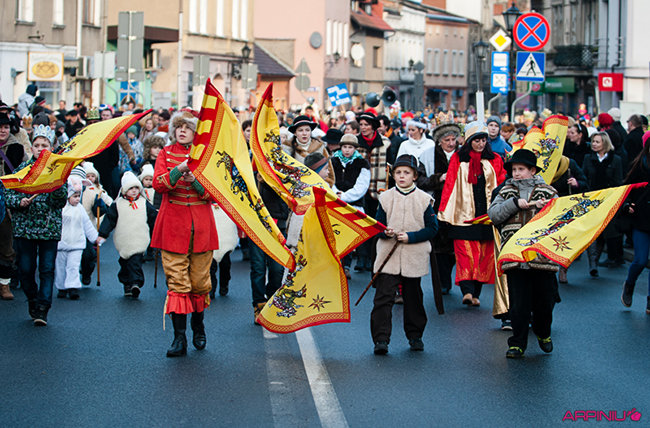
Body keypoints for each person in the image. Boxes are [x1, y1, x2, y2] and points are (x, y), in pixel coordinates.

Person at [151, 110, 218, 357]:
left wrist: (195, 181)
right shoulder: (165, 154)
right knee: (178, 284)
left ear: (195, 132)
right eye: (178, 126)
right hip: (172, 226)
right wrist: (179, 170)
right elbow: (158, 184)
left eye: (187, 127)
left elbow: (213, 194)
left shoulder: (207, 156)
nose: (182, 130)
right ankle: (179, 338)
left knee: (200, 283)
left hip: (201, 227)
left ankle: (198, 327)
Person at [487, 149, 559, 358]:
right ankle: (517, 343)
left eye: (521, 169)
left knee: (544, 302)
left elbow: (560, 218)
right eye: (514, 169)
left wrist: (546, 209)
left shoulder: (548, 192)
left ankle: (543, 332)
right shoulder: (506, 191)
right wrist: (514, 204)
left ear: (532, 170)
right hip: (515, 256)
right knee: (518, 303)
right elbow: (494, 215)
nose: (517, 173)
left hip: (541, 256)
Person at [371, 154, 438, 355]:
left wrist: (412, 236)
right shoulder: (385, 197)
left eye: (406, 173)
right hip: (388, 256)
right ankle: (381, 339)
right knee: (383, 297)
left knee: (413, 298)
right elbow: (376, 225)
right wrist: (385, 232)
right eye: (398, 172)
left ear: (414, 176)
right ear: (393, 175)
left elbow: (432, 229)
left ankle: (415, 335)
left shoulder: (424, 200)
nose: (402, 176)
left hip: (413, 255)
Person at [437, 121, 506, 306]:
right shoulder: (458, 158)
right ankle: (466, 291)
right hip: (463, 215)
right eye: (477, 140)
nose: (481, 144)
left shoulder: (495, 159)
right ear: (469, 141)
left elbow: (501, 183)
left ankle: (476, 294)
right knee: (466, 255)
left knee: (484, 256)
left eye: (483, 140)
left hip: (487, 215)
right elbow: (450, 184)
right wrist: (444, 211)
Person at [5, 125, 67, 326]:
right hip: (25, 228)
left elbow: (60, 201)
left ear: (51, 148)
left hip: (49, 229)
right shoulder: (22, 170)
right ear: (31, 148)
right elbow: (8, 193)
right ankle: (32, 298)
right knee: (25, 269)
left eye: (44, 145)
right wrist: (19, 202)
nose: (40, 148)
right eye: (37, 145)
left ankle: (43, 307)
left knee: (47, 269)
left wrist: (55, 186)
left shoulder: (57, 171)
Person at [98, 171, 157, 299]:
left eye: (136, 187)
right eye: (131, 188)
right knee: (125, 262)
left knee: (135, 261)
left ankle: (136, 283)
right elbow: (110, 220)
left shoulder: (144, 203)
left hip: (139, 238)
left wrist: (158, 233)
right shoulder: (118, 204)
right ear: (124, 190)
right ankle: (127, 283)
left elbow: (154, 218)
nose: (134, 191)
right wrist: (103, 234)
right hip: (123, 239)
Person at [419, 122, 461, 294]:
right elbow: (420, 180)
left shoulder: (462, 155)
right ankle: (443, 281)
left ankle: (452, 277)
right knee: (438, 248)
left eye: (453, 139)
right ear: (439, 141)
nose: (451, 143)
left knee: (455, 246)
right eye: (447, 140)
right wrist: (439, 178)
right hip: (436, 205)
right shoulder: (427, 155)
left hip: (459, 206)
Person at [582, 131, 624, 276]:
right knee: (592, 232)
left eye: (597, 142)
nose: (594, 144)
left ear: (605, 143)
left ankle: (596, 259)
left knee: (603, 233)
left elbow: (618, 182)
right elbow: (584, 178)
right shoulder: (588, 158)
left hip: (608, 201)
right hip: (591, 200)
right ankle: (593, 264)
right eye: (593, 141)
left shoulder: (616, 160)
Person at [331, 134, 370, 278]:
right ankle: (334, 266)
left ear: (355, 149)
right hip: (334, 202)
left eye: (350, 147)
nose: (347, 150)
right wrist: (335, 194)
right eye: (345, 147)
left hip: (353, 204)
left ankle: (346, 266)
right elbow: (329, 179)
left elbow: (362, 186)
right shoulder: (333, 161)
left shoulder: (362, 163)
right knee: (335, 236)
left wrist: (345, 197)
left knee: (347, 237)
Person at [621, 131, 650, 314]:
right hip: (642, 218)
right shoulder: (639, 165)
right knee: (640, 260)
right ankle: (629, 284)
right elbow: (625, 188)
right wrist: (627, 205)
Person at [55, 179, 99, 300]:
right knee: (60, 266)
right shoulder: (61, 208)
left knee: (73, 266)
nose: (77, 199)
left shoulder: (80, 209)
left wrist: (95, 238)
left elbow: (87, 224)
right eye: (74, 196)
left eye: (78, 196)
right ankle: (61, 287)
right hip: (62, 243)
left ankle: (73, 286)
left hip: (77, 243)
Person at [550, 155, 589, 283]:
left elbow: (584, 182)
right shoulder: (543, 164)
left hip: (567, 205)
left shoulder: (568, 163)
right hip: (549, 206)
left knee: (566, 239)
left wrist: (576, 183)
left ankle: (563, 268)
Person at [282, 115, 335, 186]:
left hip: (318, 187)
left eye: (307, 130)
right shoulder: (287, 149)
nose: (304, 133)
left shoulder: (320, 147)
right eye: (300, 130)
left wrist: (325, 185)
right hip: (295, 188)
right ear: (295, 133)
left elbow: (329, 171)